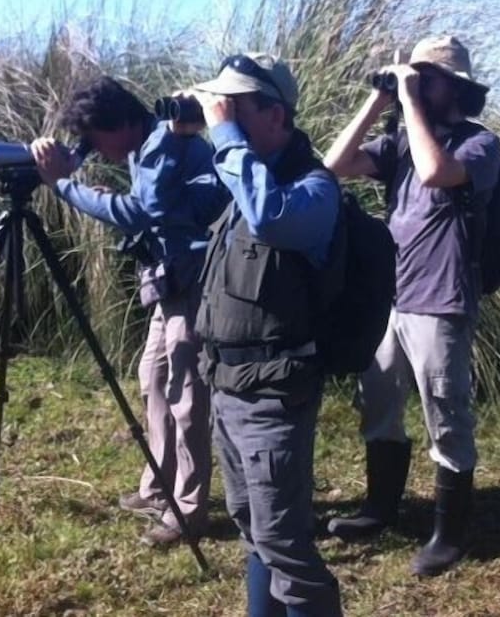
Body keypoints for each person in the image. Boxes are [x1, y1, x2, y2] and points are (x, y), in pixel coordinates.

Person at [323, 36, 500, 576]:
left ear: (456, 87)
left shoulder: (480, 144)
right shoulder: (398, 136)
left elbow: (434, 172)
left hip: (440, 301)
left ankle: (450, 533)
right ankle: (380, 507)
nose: (419, 82)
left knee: (446, 416)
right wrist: (380, 102)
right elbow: (333, 165)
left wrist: (409, 102)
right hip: (390, 297)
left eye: (428, 76)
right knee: (377, 403)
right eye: (414, 74)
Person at [31, 75, 228, 547]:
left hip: (194, 279)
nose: (96, 147)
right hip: (170, 277)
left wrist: (63, 185)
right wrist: (68, 156)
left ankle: (187, 511)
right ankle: (160, 485)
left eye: (97, 137)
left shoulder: (162, 141)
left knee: (185, 394)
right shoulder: (146, 137)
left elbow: (139, 212)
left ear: (120, 124)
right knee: (153, 378)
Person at [190, 53, 344, 616]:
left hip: (274, 396)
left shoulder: (311, 189)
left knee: (285, 544)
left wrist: (225, 136)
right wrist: (181, 136)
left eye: (235, 107)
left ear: (276, 115)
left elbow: (269, 219)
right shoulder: (241, 176)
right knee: (252, 529)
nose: (221, 116)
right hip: (228, 388)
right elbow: (161, 207)